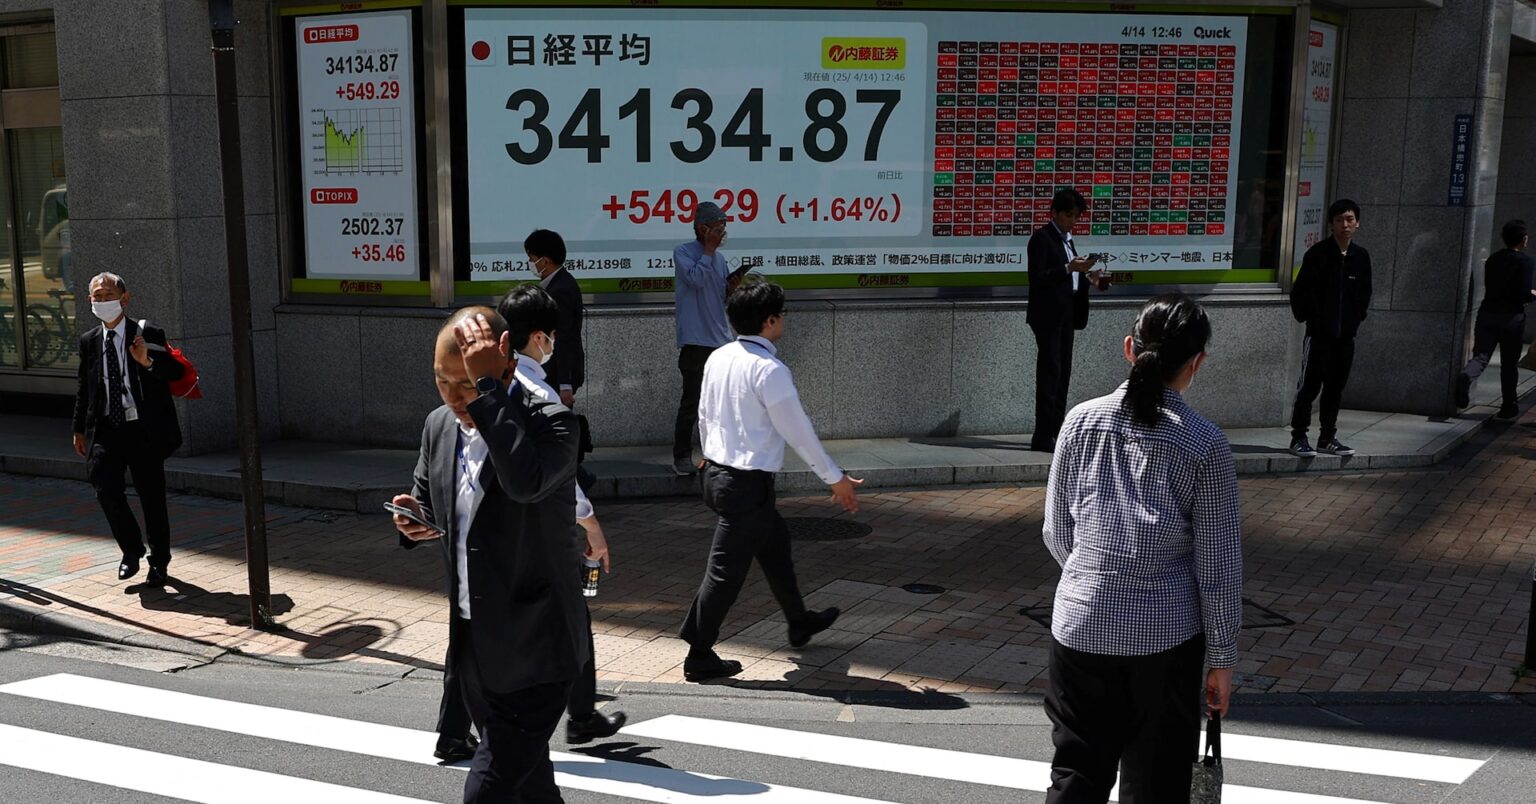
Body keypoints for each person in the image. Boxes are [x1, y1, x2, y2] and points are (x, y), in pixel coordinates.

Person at [1041, 294, 1242, 803]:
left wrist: (1096, 576)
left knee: (1076, 773)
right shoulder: (1205, 445)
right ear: (1197, 363)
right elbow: (1217, 567)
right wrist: (1221, 656)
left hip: (1080, 624)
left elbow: (1057, 531)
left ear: (1130, 348)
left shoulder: (1080, 421)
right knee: (1154, 784)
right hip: (1165, 640)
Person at [392, 306, 587, 803]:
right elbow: (430, 500)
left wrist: (488, 393)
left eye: (467, 381)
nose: (456, 396)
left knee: (489, 789)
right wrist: (413, 519)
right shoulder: (438, 426)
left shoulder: (554, 425)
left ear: (505, 362)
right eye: (443, 381)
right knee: (531, 786)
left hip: (539, 646)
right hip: (476, 646)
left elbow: (524, 483)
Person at [678, 281, 860, 682]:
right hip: (745, 485)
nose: (784, 320)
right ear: (770, 320)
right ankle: (699, 652)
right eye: (782, 314)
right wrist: (836, 479)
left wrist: (710, 459)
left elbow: (703, 415)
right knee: (724, 573)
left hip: (715, 473)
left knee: (775, 545)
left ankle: (799, 621)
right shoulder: (769, 370)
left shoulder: (719, 357)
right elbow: (799, 432)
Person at [497, 285, 627, 744]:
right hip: (545, 526)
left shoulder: (497, 382)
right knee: (572, 617)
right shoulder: (538, 391)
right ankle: (579, 714)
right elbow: (561, 475)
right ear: (537, 337)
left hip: (505, 525)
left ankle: (461, 723)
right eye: (551, 335)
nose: (553, 344)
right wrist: (591, 524)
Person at [70, 271, 185, 586]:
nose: (103, 301)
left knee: (152, 497)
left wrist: (146, 361)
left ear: (125, 297)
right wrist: (79, 429)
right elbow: (85, 388)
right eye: (98, 296)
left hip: (143, 429)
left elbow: (174, 372)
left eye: (109, 295)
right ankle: (131, 550)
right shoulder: (89, 341)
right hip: (106, 428)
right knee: (106, 490)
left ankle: (159, 562)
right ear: (89, 301)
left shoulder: (146, 333)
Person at [1027, 188, 1110, 452]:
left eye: (1076, 217)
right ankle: (1042, 435)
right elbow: (1038, 277)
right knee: (1050, 373)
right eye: (1068, 216)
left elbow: (1070, 277)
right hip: (1048, 315)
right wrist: (1068, 268)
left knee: (1063, 373)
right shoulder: (1042, 238)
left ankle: (1056, 430)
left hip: (1067, 313)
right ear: (1055, 213)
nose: (1072, 221)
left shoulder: (1068, 240)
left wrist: (1089, 277)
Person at [1289, 198, 1372, 457]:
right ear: (1331, 224)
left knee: (1336, 387)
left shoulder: (1361, 257)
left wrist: (1355, 319)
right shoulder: (1317, 254)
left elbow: (1364, 293)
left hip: (1345, 337)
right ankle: (1298, 437)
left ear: (1357, 223)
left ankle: (1327, 437)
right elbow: (1300, 293)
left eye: (1349, 219)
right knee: (1310, 386)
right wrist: (1313, 319)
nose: (1345, 225)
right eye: (1339, 220)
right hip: (1319, 335)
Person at [526, 229, 596, 491]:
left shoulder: (561, 289)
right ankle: (573, 480)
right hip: (554, 372)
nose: (531, 263)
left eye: (532, 257)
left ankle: (577, 481)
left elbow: (563, 338)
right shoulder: (555, 285)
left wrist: (565, 384)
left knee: (553, 432)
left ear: (546, 259)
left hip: (558, 373)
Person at [672, 201, 735, 476]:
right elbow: (696, 280)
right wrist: (708, 250)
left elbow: (718, 297)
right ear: (702, 228)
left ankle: (716, 455)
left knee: (719, 405)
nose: (722, 233)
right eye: (718, 228)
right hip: (696, 342)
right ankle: (681, 457)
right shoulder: (683, 252)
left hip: (720, 341)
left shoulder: (719, 259)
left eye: (724, 228)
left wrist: (731, 288)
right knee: (691, 403)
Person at [1455, 219, 1535, 419]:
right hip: (1511, 318)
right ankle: (1508, 405)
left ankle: (1467, 375)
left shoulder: (1493, 259)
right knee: (1509, 364)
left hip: (1488, 313)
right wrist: (1533, 294)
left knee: (1481, 356)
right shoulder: (1525, 262)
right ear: (1523, 239)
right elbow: (1523, 293)